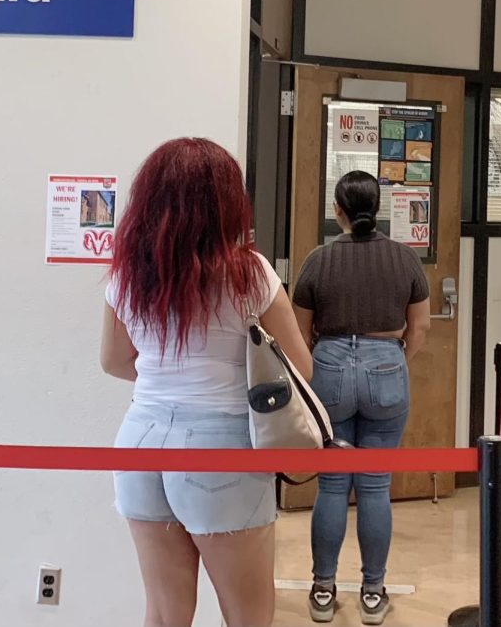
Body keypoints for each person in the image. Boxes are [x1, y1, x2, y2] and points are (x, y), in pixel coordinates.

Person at [100, 138, 312, 627]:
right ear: (226, 201)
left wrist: (167, 375)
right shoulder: (249, 273)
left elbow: (114, 361)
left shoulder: (128, 274)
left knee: (164, 611)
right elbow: (300, 367)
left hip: (139, 441)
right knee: (248, 615)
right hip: (222, 448)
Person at [292, 171, 431, 625]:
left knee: (332, 484)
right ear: (379, 207)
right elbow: (421, 328)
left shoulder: (319, 260)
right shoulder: (404, 259)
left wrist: (329, 356)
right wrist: (391, 357)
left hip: (329, 366)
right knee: (375, 485)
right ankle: (373, 593)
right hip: (386, 364)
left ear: (338, 212)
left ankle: (323, 590)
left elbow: (299, 330)